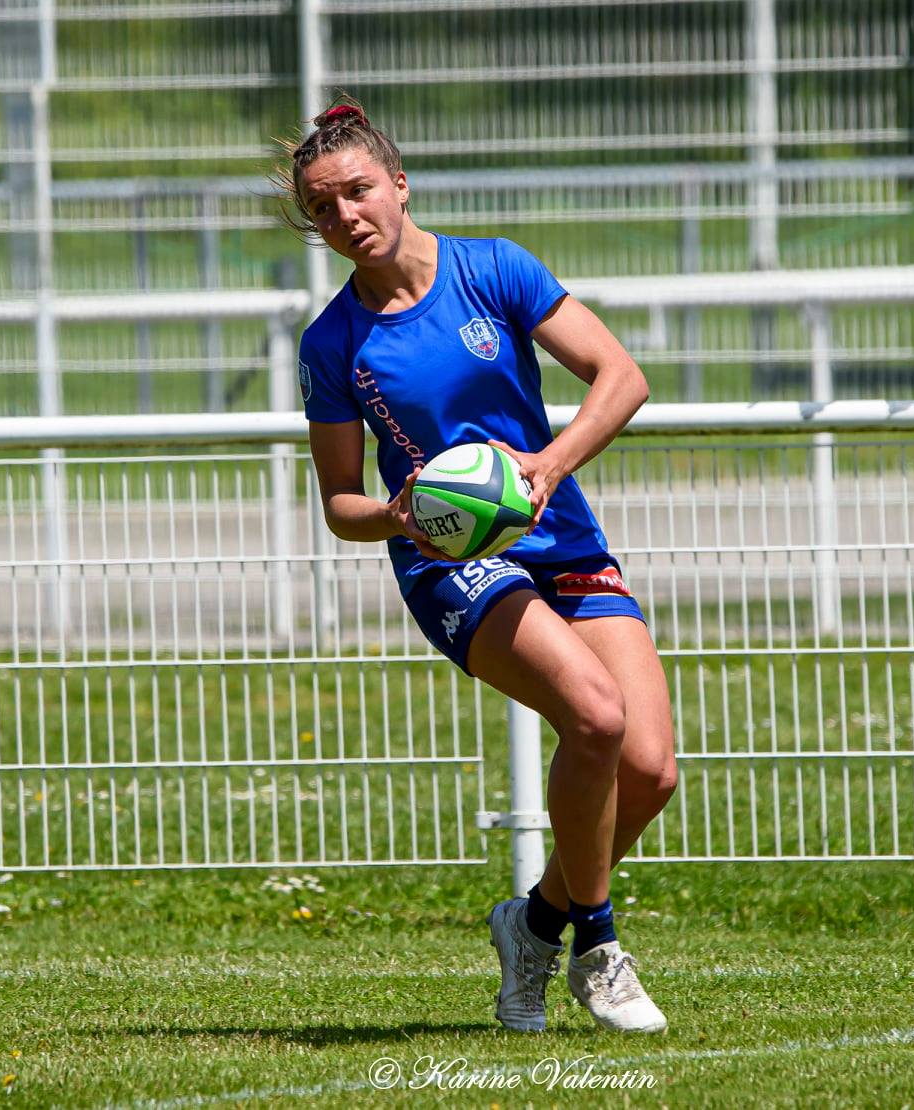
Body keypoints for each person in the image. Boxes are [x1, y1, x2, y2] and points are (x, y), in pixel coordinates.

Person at [279, 97, 677, 1035]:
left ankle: (533, 920)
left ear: (401, 181)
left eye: (359, 192)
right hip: (450, 563)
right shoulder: (333, 343)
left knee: (650, 771)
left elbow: (622, 378)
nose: (346, 219)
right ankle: (598, 950)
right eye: (324, 210)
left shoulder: (494, 268)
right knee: (594, 714)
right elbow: (340, 502)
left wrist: (549, 464)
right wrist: (397, 513)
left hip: (560, 533)